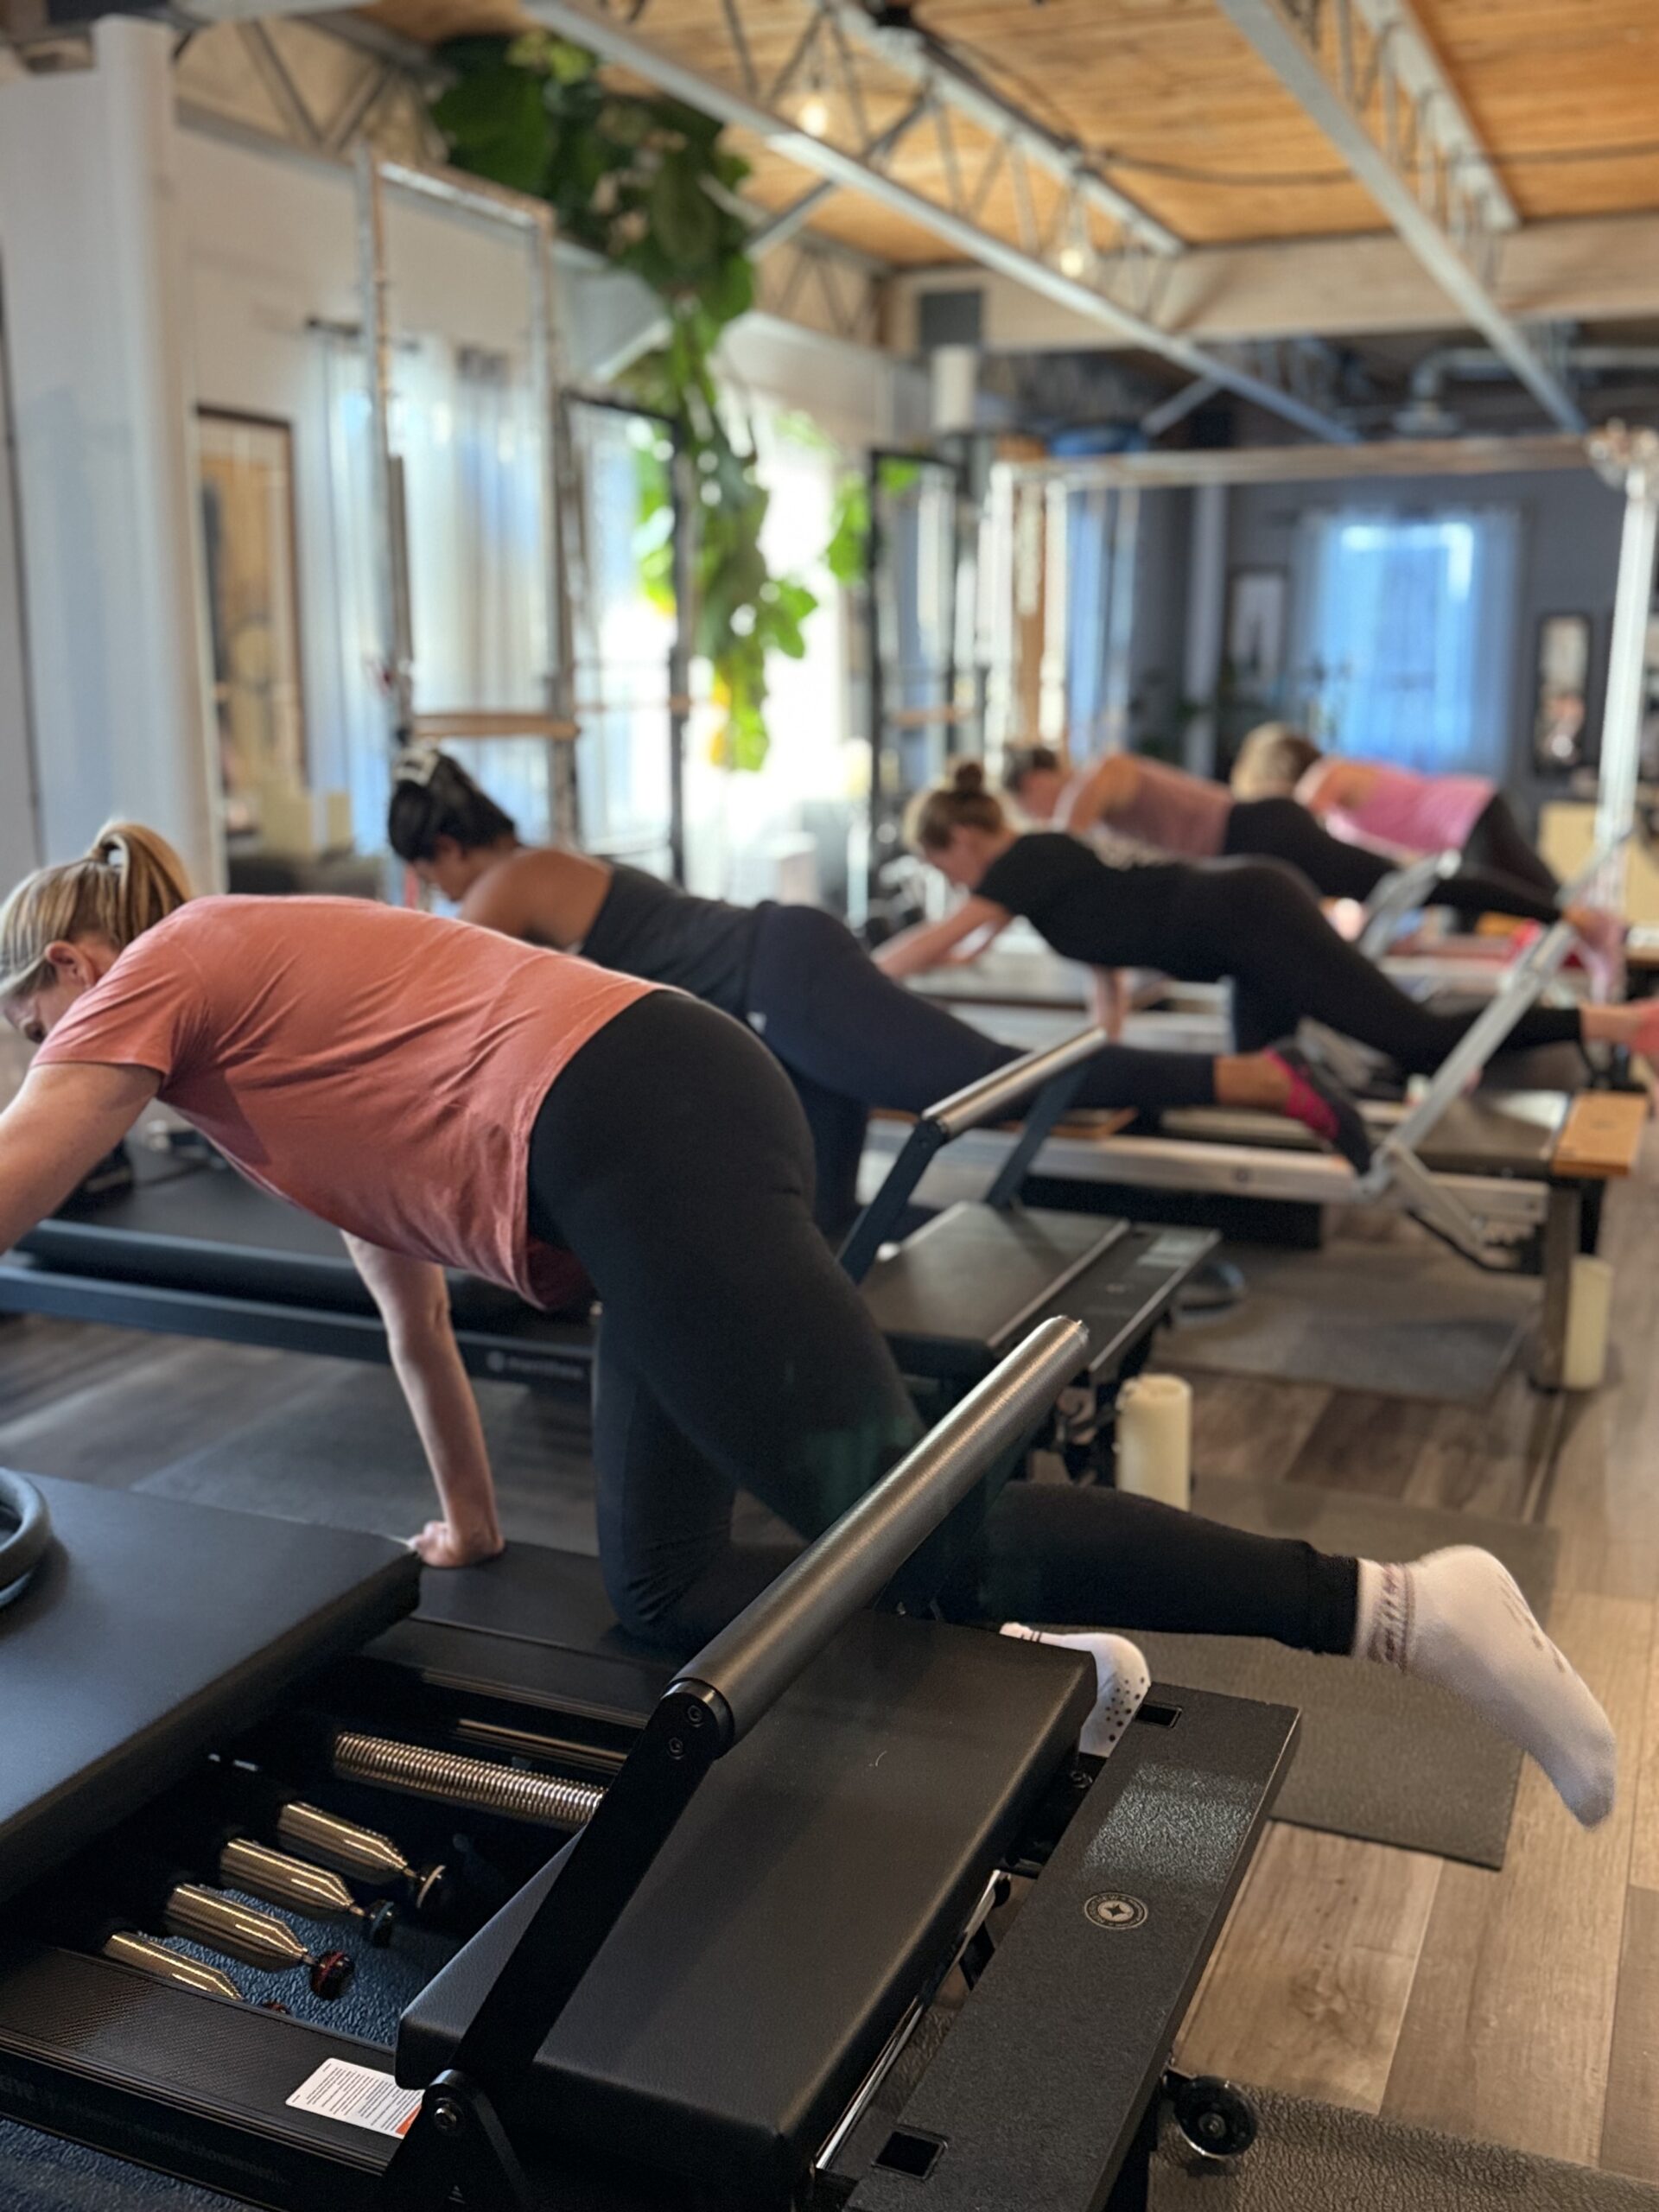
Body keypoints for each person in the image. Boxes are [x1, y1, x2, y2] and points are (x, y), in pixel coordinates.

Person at [0, 823, 1616, 1826]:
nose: (42, 1061)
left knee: (934, 1532)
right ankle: (1054, 1661)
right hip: (627, 1164)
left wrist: (43, 1085)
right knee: (663, 1591)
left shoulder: (170, 958)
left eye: (28, 1029)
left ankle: (1404, 1608)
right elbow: (408, 1310)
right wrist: (469, 1531)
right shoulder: (255, 1080)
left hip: (646, 1119)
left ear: (70, 967)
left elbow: (17, 1174)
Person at [385, 747, 1373, 1224]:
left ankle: (1254, 1080)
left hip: (783, 985)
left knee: (991, 1082)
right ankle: (864, 1370)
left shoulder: (505, 882)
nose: (436, 897)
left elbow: (446, 996)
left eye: (429, 879)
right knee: (818, 1220)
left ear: (442, 851)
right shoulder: (548, 864)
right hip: (780, 987)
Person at [882, 763, 1659, 1074]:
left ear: (959, 840)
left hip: (1252, 912)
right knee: (1262, 1077)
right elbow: (1103, 965)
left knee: (1414, 1039)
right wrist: (1106, 1055)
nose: (948, 882)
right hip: (1242, 935)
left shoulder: (1028, 856)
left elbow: (941, 939)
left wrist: (859, 972)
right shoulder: (1043, 877)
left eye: (940, 864)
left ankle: (1619, 1024)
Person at [1006, 741, 1611, 942]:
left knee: (1412, 889)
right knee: (1402, 893)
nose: (1036, 813)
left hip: (1260, 830)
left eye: (1028, 802)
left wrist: (1032, 858)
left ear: (1038, 780)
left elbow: (1069, 824)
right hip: (1251, 848)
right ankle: (1564, 913)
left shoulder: (1101, 774)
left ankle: (1564, 913)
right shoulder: (1091, 805)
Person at [1232, 722, 1567, 905]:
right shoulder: (1337, 818)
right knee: (1530, 894)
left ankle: (1604, 940)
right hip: (1461, 827)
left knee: (1540, 895)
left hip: (1470, 812)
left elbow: (1294, 817)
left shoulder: (1331, 772)